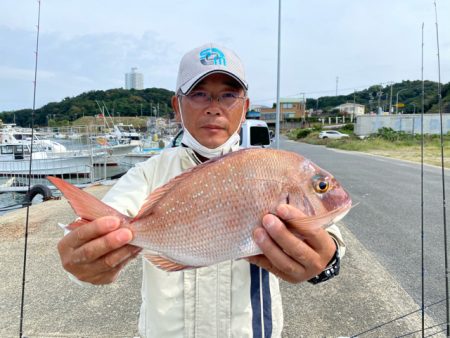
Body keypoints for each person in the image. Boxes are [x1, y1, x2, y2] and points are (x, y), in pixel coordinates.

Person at [57, 43, 345, 337]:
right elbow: (88, 232)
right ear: (177, 107)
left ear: (245, 107)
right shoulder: (149, 173)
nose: (213, 107)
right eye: (198, 93)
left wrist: (326, 260)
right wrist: (81, 259)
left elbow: (329, 238)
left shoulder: (268, 166)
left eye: (229, 95)